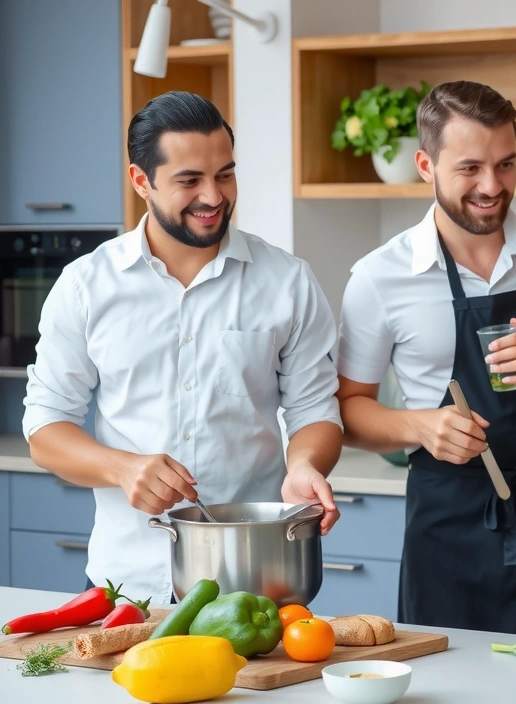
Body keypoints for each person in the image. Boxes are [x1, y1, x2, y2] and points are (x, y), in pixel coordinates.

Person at [23, 91, 344, 604]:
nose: (213, 196)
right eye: (189, 180)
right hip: (127, 585)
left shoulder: (288, 282)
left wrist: (305, 465)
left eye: (225, 174)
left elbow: (315, 411)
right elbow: (45, 428)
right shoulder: (86, 286)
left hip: (255, 582)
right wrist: (122, 468)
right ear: (141, 181)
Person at [335, 81, 516, 633]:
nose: (492, 186)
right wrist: (421, 427)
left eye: (505, 165)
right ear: (426, 165)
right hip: (449, 528)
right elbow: (347, 411)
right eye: (470, 168)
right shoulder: (380, 277)